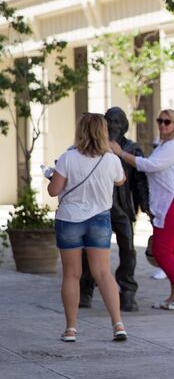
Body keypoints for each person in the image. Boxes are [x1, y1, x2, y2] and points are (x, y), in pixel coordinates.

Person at [47, 113, 127, 342]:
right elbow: (120, 180)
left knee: (72, 274)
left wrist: (53, 175)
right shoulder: (111, 160)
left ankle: (71, 329)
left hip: (70, 219)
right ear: (103, 132)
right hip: (100, 219)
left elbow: (54, 190)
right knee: (103, 272)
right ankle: (118, 324)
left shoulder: (68, 158)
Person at [111, 109, 174, 310]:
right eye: (160, 121)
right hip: (168, 202)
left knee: (161, 251)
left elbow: (149, 165)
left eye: (168, 122)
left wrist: (121, 153)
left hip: (172, 203)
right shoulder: (166, 144)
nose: (163, 125)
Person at [79, 107, 150, 312]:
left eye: (118, 123)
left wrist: (146, 206)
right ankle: (86, 289)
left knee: (128, 249)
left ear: (125, 126)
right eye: (110, 122)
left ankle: (127, 292)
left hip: (122, 208)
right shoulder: (95, 146)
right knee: (90, 250)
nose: (114, 127)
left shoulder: (132, 148)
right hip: (98, 208)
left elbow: (140, 181)